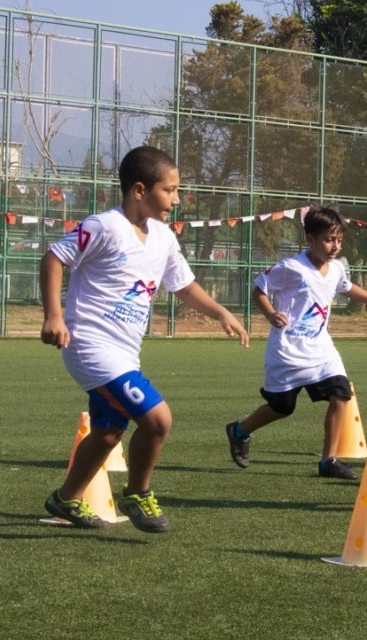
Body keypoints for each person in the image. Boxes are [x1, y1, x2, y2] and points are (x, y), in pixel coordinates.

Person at [39, 145, 249, 533]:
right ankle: (138, 493)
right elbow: (54, 257)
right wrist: (54, 315)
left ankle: (66, 498)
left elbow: (183, 286)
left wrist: (220, 312)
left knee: (107, 434)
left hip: (125, 353)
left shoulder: (164, 237)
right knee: (157, 420)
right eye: (169, 190)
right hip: (90, 347)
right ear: (139, 190)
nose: (177, 199)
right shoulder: (104, 226)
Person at [224, 207, 367, 480]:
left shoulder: (336, 268)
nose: (335, 247)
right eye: (329, 240)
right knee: (281, 407)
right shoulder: (292, 268)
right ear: (310, 239)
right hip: (288, 351)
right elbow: (259, 288)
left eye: (339, 240)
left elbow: (347, 287)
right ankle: (239, 430)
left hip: (321, 350)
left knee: (342, 393)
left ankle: (328, 461)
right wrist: (271, 313)